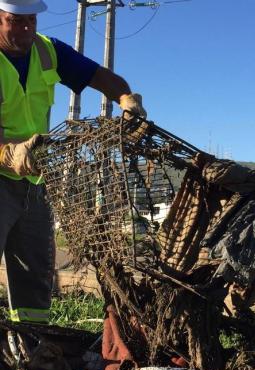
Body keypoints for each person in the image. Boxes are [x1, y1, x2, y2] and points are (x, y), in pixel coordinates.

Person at [0, 0, 147, 323]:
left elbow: (105, 79)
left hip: (34, 179)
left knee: (35, 269)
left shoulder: (48, 51)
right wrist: (8, 152)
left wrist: (126, 99)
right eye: (15, 21)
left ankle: (32, 346)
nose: (25, 29)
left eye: (31, 21)